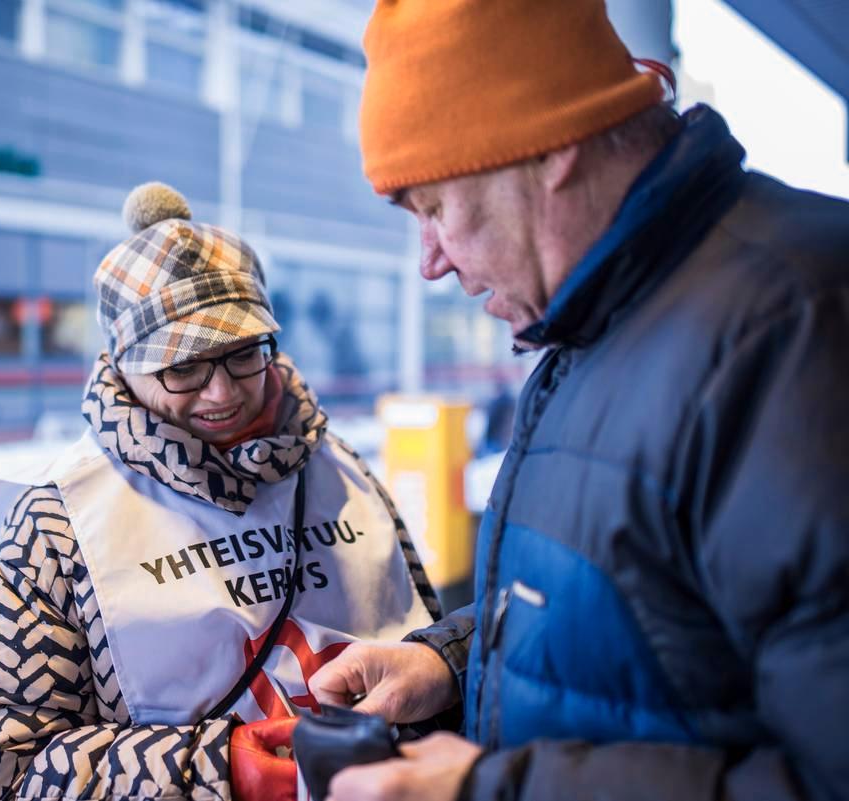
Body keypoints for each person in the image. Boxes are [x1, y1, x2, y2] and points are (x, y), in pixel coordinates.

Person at [308, 1, 849, 800]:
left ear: (548, 146)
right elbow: (643, 614)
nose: (431, 262)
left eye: (434, 209)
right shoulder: (597, 326)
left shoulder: (795, 329)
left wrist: (491, 790)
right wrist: (452, 661)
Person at [0, 182, 441, 801]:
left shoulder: (341, 468)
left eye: (244, 354)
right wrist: (216, 769)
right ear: (122, 367)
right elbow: (4, 769)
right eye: (182, 366)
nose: (222, 393)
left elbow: (431, 651)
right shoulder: (55, 523)